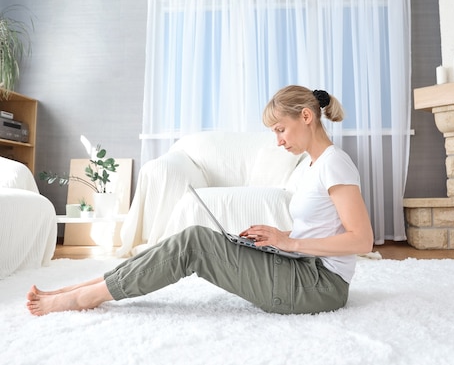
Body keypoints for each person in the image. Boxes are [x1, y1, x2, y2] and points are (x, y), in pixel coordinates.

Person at [26, 85, 373, 316]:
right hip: (301, 267)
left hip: (320, 286)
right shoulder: (314, 165)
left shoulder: (334, 163)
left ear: (307, 118)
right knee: (196, 236)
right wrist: (276, 238)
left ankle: (88, 296)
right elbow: (321, 226)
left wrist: (290, 241)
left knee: (195, 242)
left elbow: (361, 240)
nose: (278, 141)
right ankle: (90, 285)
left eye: (281, 129)